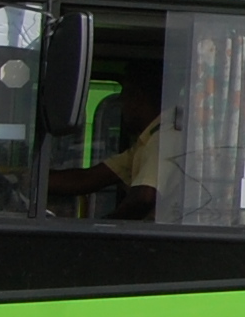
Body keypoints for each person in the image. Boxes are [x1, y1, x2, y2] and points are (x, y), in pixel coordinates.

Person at [49, 84, 163, 221]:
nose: (122, 109)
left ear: (137, 98)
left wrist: (104, 227)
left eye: (123, 100)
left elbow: (144, 198)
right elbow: (89, 178)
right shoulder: (146, 141)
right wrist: (33, 180)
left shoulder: (163, 138)